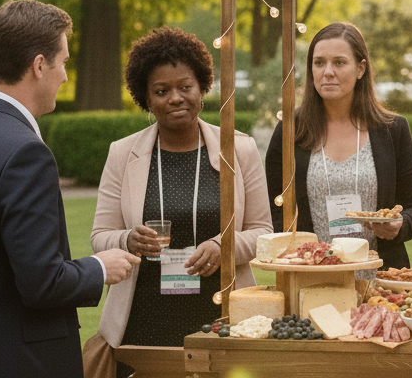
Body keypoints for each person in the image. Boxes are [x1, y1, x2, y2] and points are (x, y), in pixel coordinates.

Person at [0, 0, 137, 378]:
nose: (66, 76)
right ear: (39, 66)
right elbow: (42, 283)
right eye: (64, 62)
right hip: (12, 361)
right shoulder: (25, 152)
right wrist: (100, 268)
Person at [90, 27, 275, 374]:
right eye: (162, 91)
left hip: (221, 317)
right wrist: (126, 239)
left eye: (185, 87)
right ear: (146, 98)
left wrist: (224, 246)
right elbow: (100, 235)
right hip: (143, 318)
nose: (175, 98)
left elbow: (263, 231)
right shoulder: (122, 154)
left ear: (202, 88)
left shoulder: (240, 149)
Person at [263, 22, 412, 271]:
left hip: (381, 282)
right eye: (319, 63)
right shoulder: (290, 130)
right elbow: (271, 209)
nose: (327, 71)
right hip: (310, 278)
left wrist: (398, 225)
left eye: (339, 62)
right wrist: (298, 255)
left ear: (361, 68)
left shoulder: (392, 130)